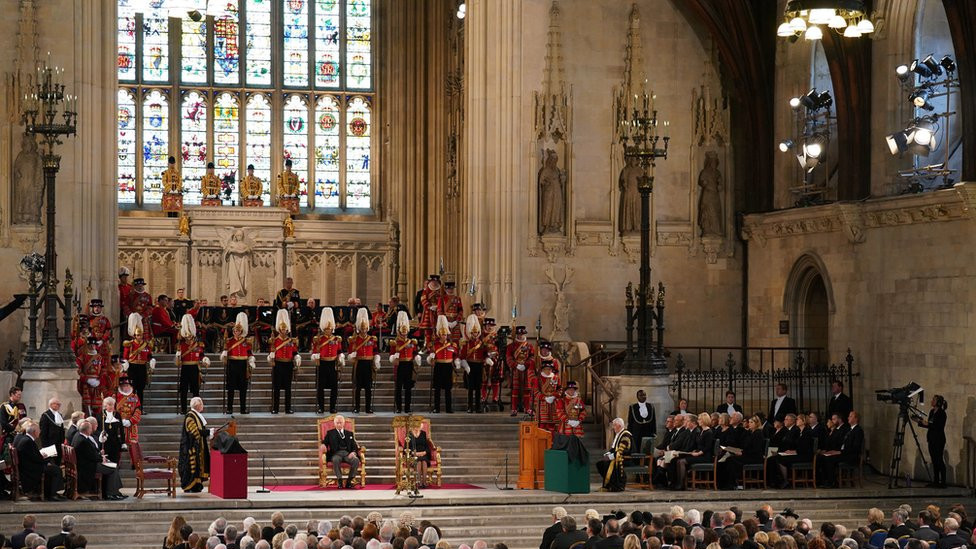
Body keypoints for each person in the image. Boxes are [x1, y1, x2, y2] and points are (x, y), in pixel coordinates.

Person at [71, 420, 125, 500]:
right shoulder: (83, 441)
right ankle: (111, 493)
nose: (91, 430)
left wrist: (99, 455)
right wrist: (101, 458)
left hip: (86, 463)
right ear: (87, 430)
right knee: (113, 468)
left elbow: (90, 453)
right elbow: (92, 457)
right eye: (90, 429)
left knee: (113, 466)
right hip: (88, 467)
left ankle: (115, 492)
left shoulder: (78, 436)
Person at [16, 422, 65, 500]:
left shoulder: (27, 439)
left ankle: (50, 492)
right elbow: (35, 459)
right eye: (39, 430)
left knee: (52, 467)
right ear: (34, 432)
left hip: (30, 466)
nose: (40, 432)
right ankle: (53, 494)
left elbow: (33, 456)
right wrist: (45, 460)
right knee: (56, 469)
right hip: (30, 470)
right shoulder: (27, 441)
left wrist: (43, 458)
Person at [311, 307, 346, 414]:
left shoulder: (336, 339)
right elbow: (314, 352)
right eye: (326, 328)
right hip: (322, 364)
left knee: (334, 388)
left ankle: (332, 407)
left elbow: (339, 350)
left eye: (330, 328)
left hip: (333, 364)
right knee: (320, 387)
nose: (328, 330)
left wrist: (341, 357)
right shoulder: (319, 339)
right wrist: (315, 356)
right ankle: (321, 407)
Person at [347, 307, 380, 414]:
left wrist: (376, 359)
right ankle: (357, 407)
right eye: (362, 329)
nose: (364, 330)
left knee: (368, 388)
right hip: (359, 364)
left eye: (365, 328)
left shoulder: (371, 339)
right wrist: (352, 355)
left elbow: (375, 351)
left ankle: (368, 407)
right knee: (358, 387)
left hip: (368, 364)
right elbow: (350, 352)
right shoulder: (354, 339)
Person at [267, 309, 300, 414]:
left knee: (288, 388)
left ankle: (288, 408)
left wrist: (297, 357)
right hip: (278, 364)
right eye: (282, 330)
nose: (284, 331)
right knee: (276, 388)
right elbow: (271, 352)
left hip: (288, 364)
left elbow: (294, 352)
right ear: (279, 330)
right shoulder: (274, 340)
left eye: (285, 330)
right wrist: (270, 357)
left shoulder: (291, 341)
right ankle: (275, 408)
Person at [819, 410, 864, 487]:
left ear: (856, 419)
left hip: (851, 456)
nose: (848, 418)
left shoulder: (858, 430)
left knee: (829, 459)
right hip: (844, 453)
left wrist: (840, 452)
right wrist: (836, 451)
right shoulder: (850, 429)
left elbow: (855, 448)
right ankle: (825, 480)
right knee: (823, 457)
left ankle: (832, 482)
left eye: (850, 416)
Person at [176, 314, 210, 415]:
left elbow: (201, 355)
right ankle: (183, 409)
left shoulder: (198, 345)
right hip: (185, 368)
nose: (189, 338)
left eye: (190, 336)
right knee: (184, 390)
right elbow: (178, 361)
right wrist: (178, 356)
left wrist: (204, 359)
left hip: (195, 368)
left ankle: (197, 409)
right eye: (187, 336)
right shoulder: (181, 345)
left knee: (195, 390)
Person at [459, 314, 493, 414]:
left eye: (476, 332)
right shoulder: (467, 344)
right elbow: (462, 356)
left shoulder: (482, 344)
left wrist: (487, 359)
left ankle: (478, 407)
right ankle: (470, 407)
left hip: (479, 366)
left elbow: (485, 354)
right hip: (470, 366)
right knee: (470, 388)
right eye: (473, 332)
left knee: (478, 388)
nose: (474, 334)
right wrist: (465, 365)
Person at [222, 312, 255, 414]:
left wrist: (251, 360)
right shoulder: (229, 341)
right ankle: (229, 408)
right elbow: (225, 352)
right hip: (232, 365)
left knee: (243, 388)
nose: (237, 332)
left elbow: (249, 353)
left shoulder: (246, 342)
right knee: (231, 388)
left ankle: (243, 408)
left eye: (239, 331)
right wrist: (224, 355)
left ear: (241, 331)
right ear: (233, 331)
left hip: (242, 365)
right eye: (236, 330)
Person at [122, 312, 156, 409]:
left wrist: (152, 360)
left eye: (141, 335)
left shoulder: (146, 345)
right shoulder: (130, 344)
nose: (139, 337)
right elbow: (125, 356)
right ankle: (131, 407)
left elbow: (149, 355)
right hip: (133, 367)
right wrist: (125, 363)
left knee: (141, 389)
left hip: (142, 367)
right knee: (133, 388)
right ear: (135, 335)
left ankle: (140, 407)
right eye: (138, 335)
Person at [427, 315, 461, 414]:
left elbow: (455, 355)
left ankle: (448, 408)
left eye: (445, 334)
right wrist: (431, 357)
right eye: (442, 334)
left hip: (448, 367)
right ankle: (436, 408)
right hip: (439, 366)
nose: (444, 336)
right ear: (439, 335)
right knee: (437, 389)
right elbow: (431, 358)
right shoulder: (435, 345)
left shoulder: (452, 345)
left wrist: (457, 361)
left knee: (448, 389)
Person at [389, 311, 420, 414]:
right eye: (403, 331)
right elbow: (391, 355)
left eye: (406, 331)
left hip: (409, 365)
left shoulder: (411, 342)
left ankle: (407, 407)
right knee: (398, 388)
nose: (404, 333)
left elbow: (414, 352)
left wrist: (417, 357)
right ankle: (399, 407)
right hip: (399, 365)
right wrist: (394, 357)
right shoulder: (395, 342)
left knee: (408, 388)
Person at [179, 397, 212, 492]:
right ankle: (189, 486)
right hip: (190, 448)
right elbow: (195, 432)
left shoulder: (195, 415)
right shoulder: (190, 416)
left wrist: (209, 432)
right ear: (198, 405)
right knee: (191, 468)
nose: (203, 406)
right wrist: (208, 432)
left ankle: (197, 486)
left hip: (197, 446)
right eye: (202, 404)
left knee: (197, 467)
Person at [321, 414, 360, 489]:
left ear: (343, 423)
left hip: (347, 454)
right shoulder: (330, 433)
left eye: (340, 422)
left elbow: (354, 445)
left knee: (356, 460)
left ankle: (349, 481)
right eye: (337, 423)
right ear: (334, 423)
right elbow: (325, 442)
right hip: (336, 454)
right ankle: (339, 480)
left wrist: (354, 452)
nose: (339, 424)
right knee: (335, 459)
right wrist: (323, 445)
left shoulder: (349, 433)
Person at [917, 394, 947, 488]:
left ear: (938, 402)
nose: (931, 401)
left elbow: (938, 426)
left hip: (939, 439)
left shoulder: (942, 413)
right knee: (934, 460)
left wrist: (927, 423)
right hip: (931, 439)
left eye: (933, 400)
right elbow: (929, 425)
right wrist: (919, 422)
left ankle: (943, 482)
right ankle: (936, 481)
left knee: (939, 460)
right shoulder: (931, 412)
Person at [596, 418, 634, 492]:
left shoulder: (625, 435)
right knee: (600, 464)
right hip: (618, 456)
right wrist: (607, 454)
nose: (613, 428)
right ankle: (610, 485)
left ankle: (616, 486)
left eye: (614, 425)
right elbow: (614, 449)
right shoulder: (619, 434)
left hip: (626, 458)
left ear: (619, 426)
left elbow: (621, 451)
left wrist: (610, 457)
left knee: (607, 464)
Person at [507, 326, 536, 417]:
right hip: (516, 370)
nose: (520, 336)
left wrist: (526, 365)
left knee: (527, 390)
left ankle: (527, 408)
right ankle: (514, 409)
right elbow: (508, 357)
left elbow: (532, 357)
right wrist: (516, 365)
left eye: (522, 334)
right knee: (515, 390)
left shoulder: (529, 346)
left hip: (526, 370)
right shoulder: (511, 346)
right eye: (519, 334)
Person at [480, 318, 505, 412]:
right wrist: (485, 357)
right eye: (488, 325)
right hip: (485, 360)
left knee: (495, 379)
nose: (490, 327)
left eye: (491, 325)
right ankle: (483, 397)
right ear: (485, 326)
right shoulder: (481, 336)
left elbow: (500, 348)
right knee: (484, 380)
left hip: (495, 360)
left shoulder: (497, 336)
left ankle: (495, 397)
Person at [77, 336, 104, 417]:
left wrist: (100, 380)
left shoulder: (100, 357)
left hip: (97, 385)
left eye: (94, 345)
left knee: (98, 406)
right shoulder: (81, 358)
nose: (92, 347)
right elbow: (78, 372)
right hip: (86, 384)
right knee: (86, 405)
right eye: (90, 345)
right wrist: (87, 380)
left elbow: (104, 370)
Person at [534, 358, 561, 432]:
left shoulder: (556, 378)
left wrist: (554, 396)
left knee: (552, 425)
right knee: (542, 424)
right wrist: (544, 398)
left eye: (549, 369)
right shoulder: (538, 379)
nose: (548, 371)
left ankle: (552, 442)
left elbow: (560, 390)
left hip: (553, 404)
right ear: (542, 370)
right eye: (546, 369)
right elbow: (536, 392)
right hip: (542, 404)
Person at [418, 274, 444, 347]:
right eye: (433, 281)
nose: (434, 283)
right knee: (428, 330)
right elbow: (423, 299)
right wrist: (429, 306)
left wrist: (438, 306)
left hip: (438, 311)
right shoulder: (426, 290)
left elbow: (443, 300)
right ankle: (428, 346)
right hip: (428, 311)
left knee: (438, 329)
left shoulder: (441, 290)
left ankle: (437, 345)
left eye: (436, 281)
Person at [115, 375, 142, 445]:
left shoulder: (135, 397)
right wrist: (119, 420)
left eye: (127, 385)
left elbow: (138, 410)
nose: (126, 388)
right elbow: (112, 411)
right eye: (124, 386)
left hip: (131, 425)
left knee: (133, 446)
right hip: (119, 425)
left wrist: (131, 421)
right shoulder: (115, 396)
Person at [39, 397, 65, 466]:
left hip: (58, 444)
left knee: (57, 463)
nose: (58, 406)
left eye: (59, 404)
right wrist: (45, 446)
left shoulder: (59, 415)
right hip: (49, 444)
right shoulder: (45, 415)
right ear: (51, 404)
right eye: (57, 404)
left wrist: (62, 441)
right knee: (51, 465)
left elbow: (62, 430)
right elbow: (43, 432)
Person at [99, 397, 124, 466]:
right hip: (105, 443)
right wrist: (101, 436)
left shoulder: (117, 414)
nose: (111, 407)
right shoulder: (100, 415)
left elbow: (121, 428)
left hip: (115, 442)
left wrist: (123, 442)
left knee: (115, 462)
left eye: (112, 405)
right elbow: (98, 429)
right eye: (109, 405)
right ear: (105, 406)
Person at [407, 418, 432, 488]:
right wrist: (414, 453)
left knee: (424, 461)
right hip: (414, 455)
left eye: (419, 426)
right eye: (417, 426)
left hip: (423, 454)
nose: (419, 427)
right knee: (418, 462)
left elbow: (427, 445)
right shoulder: (409, 434)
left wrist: (425, 452)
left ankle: (424, 482)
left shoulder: (423, 433)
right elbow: (406, 448)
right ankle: (419, 482)